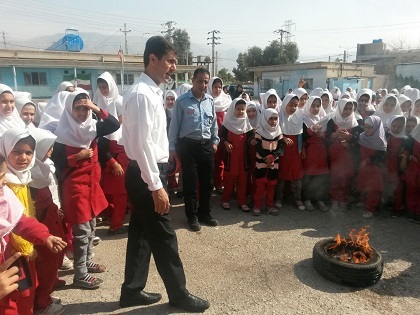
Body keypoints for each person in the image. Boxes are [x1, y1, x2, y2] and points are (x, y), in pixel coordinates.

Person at [120, 36, 209, 312]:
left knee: (142, 234)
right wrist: (156, 185)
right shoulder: (140, 95)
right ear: (153, 59)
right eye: (170, 61)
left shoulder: (151, 92)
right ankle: (179, 294)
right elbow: (141, 144)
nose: (173, 67)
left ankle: (132, 291)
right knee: (165, 237)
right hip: (146, 175)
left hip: (148, 172)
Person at [51, 90, 119, 289]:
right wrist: (77, 157)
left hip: (92, 186)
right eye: (78, 108)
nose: (82, 112)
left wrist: (95, 107)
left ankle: (87, 261)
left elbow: (114, 124)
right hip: (75, 188)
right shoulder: (61, 134)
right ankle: (80, 275)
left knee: (91, 227)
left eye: (85, 108)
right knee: (81, 232)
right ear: (69, 109)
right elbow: (56, 162)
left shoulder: (92, 127)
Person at [0, 132, 67, 314]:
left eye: (29, 152)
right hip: (15, 252)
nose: (3, 184)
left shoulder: (7, 190)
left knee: (23, 294)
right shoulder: (9, 186)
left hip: (15, 256)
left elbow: (20, 219)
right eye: (17, 151)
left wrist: (44, 236)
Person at [169, 67, 220, 232]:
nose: (203, 85)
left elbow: (214, 125)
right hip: (188, 146)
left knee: (207, 182)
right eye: (200, 81)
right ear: (193, 81)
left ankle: (205, 213)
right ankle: (192, 216)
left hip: (206, 146)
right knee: (190, 183)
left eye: (206, 82)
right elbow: (174, 126)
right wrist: (172, 148)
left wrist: (215, 142)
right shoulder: (182, 101)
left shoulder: (210, 101)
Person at [29, 128, 67, 314]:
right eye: (47, 147)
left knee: (54, 260)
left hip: (51, 219)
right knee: (44, 264)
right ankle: (42, 303)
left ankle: (46, 294)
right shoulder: (28, 175)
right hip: (42, 225)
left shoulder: (42, 167)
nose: (51, 151)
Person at [94, 71, 129, 236]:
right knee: (116, 192)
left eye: (105, 86)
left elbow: (122, 122)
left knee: (117, 191)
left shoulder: (119, 101)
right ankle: (115, 224)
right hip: (107, 151)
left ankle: (114, 218)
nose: (103, 90)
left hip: (118, 148)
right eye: (100, 87)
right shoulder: (98, 102)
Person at [326, 98, 361, 211]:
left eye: (350, 109)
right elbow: (327, 139)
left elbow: (358, 139)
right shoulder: (332, 121)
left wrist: (349, 138)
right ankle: (335, 200)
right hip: (335, 155)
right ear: (340, 108)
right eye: (345, 108)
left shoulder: (355, 122)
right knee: (335, 178)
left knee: (345, 179)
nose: (347, 111)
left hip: (348, 156)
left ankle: (344, 200)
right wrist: (335, 135)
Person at [220, 98, 253, 211]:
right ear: (233, 109)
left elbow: (249, 138)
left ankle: (242, 201)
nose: (240, 112)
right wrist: (226, 143)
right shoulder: (227, 123)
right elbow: (222, 137)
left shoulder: (246, 123)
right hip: (231, 156)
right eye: (238, 109)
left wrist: (252, 141)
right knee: (229, 179)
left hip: (243, 158)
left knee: (243, 180)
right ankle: (225, 200)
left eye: (243, 109)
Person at [276, 94, 306, 211]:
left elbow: (301, 134)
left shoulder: (299, 116)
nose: (293, 108)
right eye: (290, 105)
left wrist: (302, 148)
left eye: (295, 105)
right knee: (282, 174)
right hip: (284, 151)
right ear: (285, 104)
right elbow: (274, 132)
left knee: (296, 175)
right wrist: (282, 138)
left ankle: (298, 199)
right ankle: (278, 198)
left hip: (296, 150)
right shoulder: (279, 116)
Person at [253, 108, 283, 216]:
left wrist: (272, 157)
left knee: (271, 185)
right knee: (260, 186)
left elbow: (280, 148)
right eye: (271, 119)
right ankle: (257, 206)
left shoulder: (278, 132)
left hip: (273, 164)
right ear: (265, 119)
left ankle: (270, 206)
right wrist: (266, 157)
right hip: (261, 163)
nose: (274, 121)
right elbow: (258, 148)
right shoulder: (259, 132)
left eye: (276, 119)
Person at [302, 96, 329, 211]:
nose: (316, 108)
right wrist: (311, 129)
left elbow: (329, 139)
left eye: (318, 106)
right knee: (309, 176)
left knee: (321, 176)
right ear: (308, 106)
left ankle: (319, 199)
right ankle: (307, 199)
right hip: (310, 151)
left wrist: (322, 135)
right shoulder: (304, 119)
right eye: (313, 106)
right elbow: (302, 136)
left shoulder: (324, 118)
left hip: (321, 152)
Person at [357, 116, 387, 218]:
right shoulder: (362, 137)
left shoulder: (380, 141)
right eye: (365, 127)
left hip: (374, 170)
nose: (367, 129)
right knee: (363, 187)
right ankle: (365, 203)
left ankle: (370, 209)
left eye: (370, 127)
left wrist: (368, 160)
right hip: (363, 169)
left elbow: (381, 156)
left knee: (372, 190)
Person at [207, 77, 231, 195]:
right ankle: (209, 184)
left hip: (223, 135)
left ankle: (219, 183)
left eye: (220, 87)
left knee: (220, 161)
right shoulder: (206, 100)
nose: (217, 89)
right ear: (210, 87)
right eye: (215, 87)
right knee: (210, 162)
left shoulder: (226, 101)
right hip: (209, 136)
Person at [384, 115, 406, 217]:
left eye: (399, 127)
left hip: (397, 167)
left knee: (397, 187)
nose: (396, 129)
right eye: (394, 126)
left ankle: (397, 208)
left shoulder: (406, 139)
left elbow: (406, 152)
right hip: (386, 164)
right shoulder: (387, 135)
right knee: (386, 186)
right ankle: (387, 203)